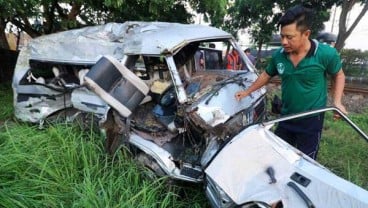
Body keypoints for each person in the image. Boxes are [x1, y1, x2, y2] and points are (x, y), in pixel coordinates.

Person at [234, 5, 347, 160]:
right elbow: (266, 75)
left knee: (306, 161)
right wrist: (247, 91)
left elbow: (338, 75)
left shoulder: (325, 54)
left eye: (289, 37)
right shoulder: (279, 56)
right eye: (282, 36)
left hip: (311, 118)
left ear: (306, 34)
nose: (284, 42)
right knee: (277, 155)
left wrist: (337, 101)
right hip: (286, 116)